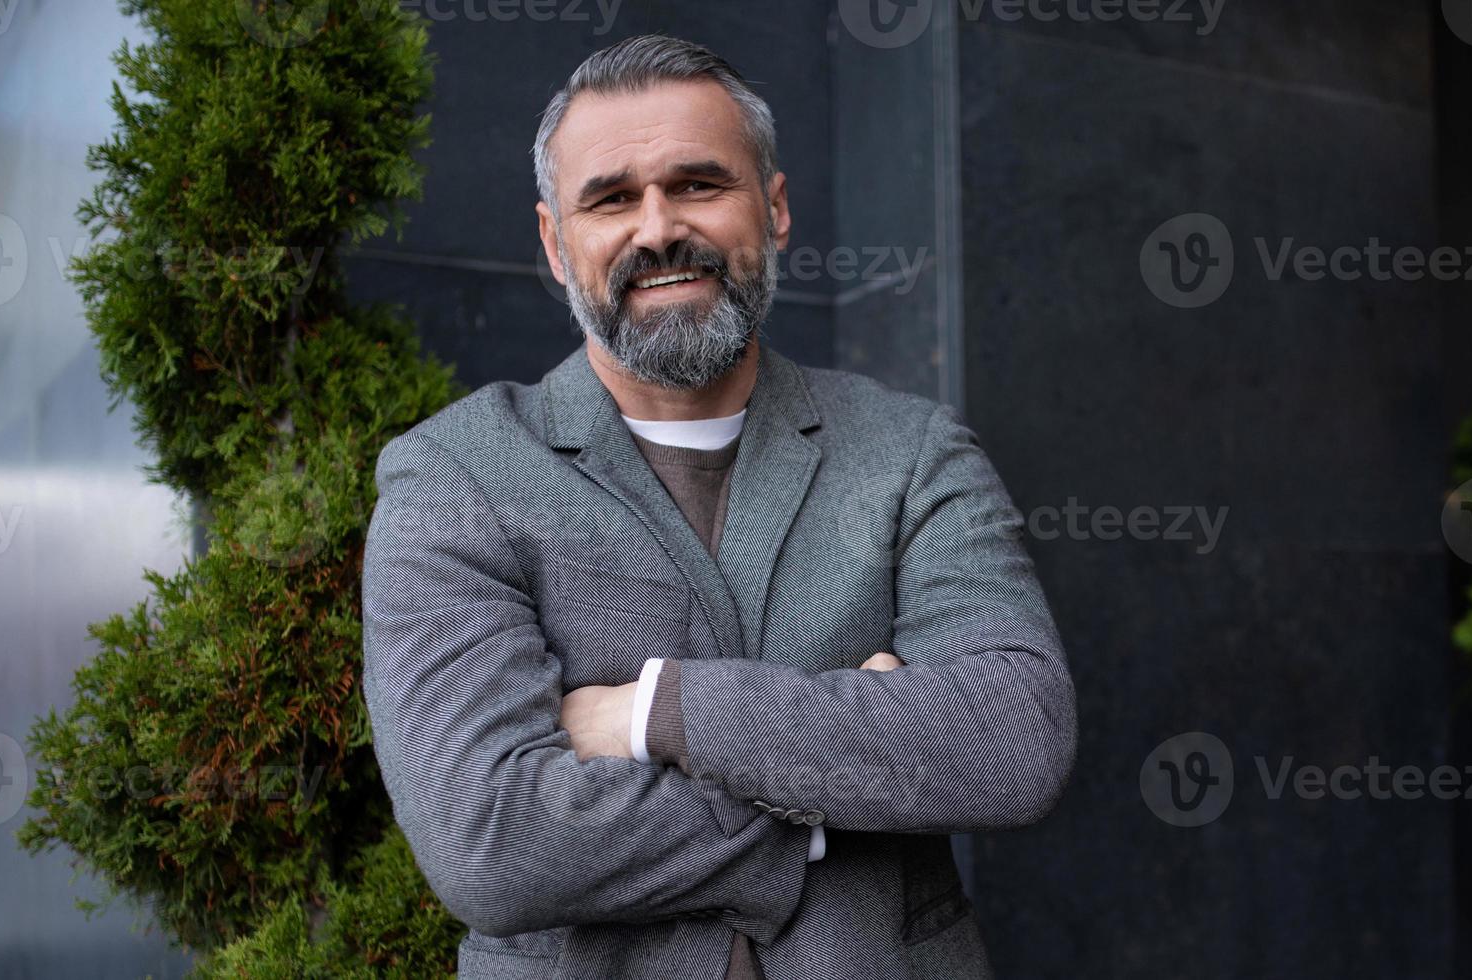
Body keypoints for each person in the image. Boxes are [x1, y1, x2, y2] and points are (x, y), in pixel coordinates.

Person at [362, 34, 1076, 979]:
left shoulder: (909, 452)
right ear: (553, 241)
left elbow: (1014, 738)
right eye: (611, 198)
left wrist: (652, 714)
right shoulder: (454, 478)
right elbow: (491, 842)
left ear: (773, 209)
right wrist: (841, 786)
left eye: (699, 184)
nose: (658, 229)